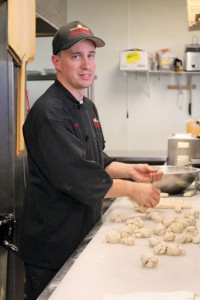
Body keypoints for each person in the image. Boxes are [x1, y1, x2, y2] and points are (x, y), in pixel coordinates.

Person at [19, 21, 163, 300]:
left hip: (82, 236)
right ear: (56, 62)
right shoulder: (50, 113)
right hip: (53, 246)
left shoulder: (87, 106)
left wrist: (132, 171)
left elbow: (98, 160)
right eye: (76, 56)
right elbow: (80, 176)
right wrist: (134, 190)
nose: (86, 64)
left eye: (91, 55)